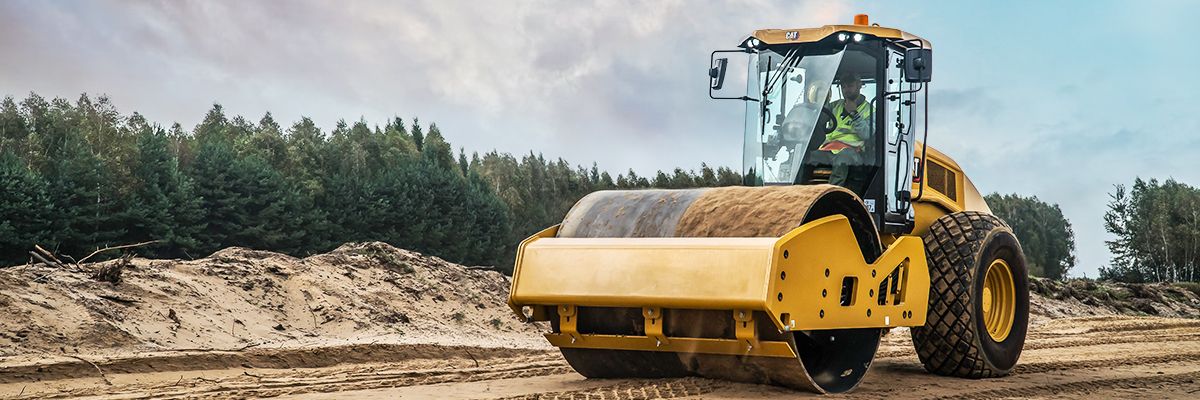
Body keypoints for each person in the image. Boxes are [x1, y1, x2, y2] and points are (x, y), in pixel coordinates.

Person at [817, 73, 873, 187]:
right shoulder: (834, 106)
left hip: (854, 152)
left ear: (859, 85)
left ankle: (832, 192)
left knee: (844, 157)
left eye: (850, 86)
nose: (846, 90)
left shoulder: (870, 110)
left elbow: (866, 134)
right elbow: (819, 120)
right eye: (843, 87)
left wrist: (854, 114)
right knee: (807, 156)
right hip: (830, 149)